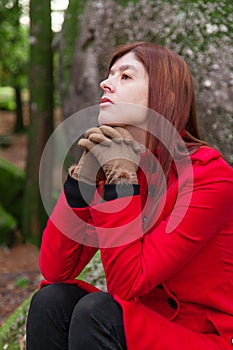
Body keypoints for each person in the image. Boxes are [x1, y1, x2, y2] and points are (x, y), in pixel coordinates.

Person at [26, 42, 233, 350]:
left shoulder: (210, 177)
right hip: (141, 325)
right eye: (110, 75)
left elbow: (127, 284)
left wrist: (120, 187)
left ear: (167, 96)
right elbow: (55, 268)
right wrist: (82, 183)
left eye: (125, 76)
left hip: (201, 338)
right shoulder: (121, 165)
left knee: (97, 313)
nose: (105, 83)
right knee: (52, 300)